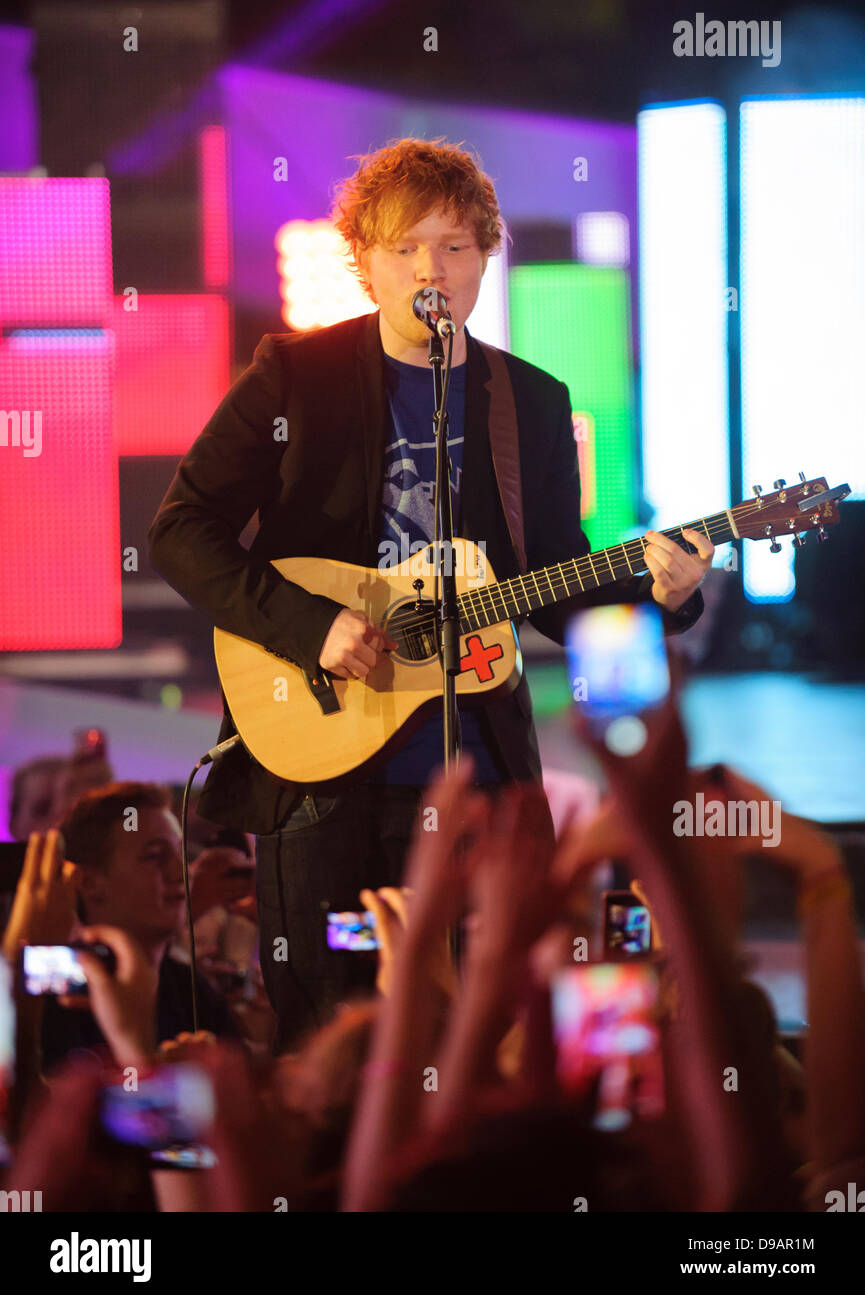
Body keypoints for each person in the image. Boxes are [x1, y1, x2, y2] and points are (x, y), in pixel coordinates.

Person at [147, 137, 712, 1051]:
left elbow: (553, 581)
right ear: (363, 261)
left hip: (476, 766)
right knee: (330, 1029)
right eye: (405, 245)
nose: (430, 268)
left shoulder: (526, 399)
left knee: (485, 1023)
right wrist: (312, 625)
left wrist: (663, 600)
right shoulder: (295, 375)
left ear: (486, 257)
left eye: (454, 245)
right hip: (323, 755)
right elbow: (180, 529)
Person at [39, 782, 241, 1071]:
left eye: (181, 854)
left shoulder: (195, 991)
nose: (179, 871)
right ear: (89, 882)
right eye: (155, 856)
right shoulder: (57, 993)